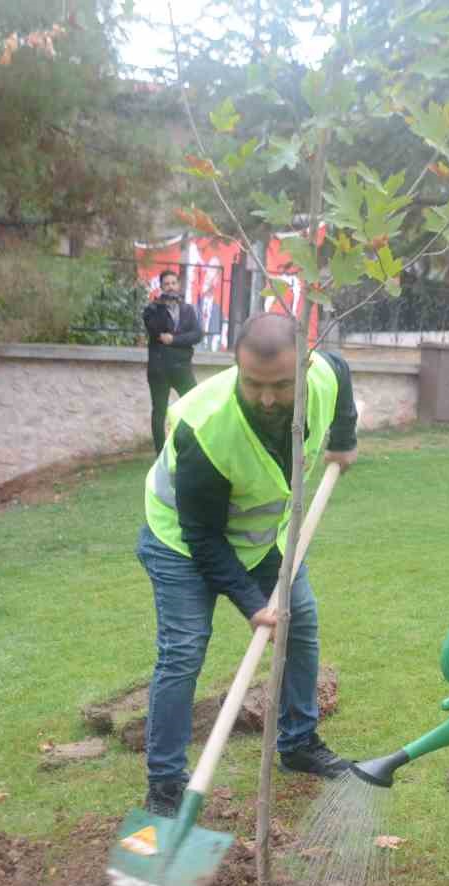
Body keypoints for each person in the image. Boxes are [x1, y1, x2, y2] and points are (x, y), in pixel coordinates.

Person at [136, 313, 358, 816]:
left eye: (281, 385)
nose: (265, 398)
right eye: (253, 383)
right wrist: (254, 606)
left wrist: (344, 437)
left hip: (264, 542)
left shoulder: (322, 375)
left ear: (303, 368)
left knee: (299, 628)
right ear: (236, 365)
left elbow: (341, 370)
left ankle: (298, 743)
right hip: (181, 543)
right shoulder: (207, 428)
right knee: (183, 652)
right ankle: (167, 785)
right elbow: (203, 538)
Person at [144, 269, 204, 452]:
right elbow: (156, 330)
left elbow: (197, 334)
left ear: (178, 285)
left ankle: (192, 447)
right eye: (166, 284)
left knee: (195, 406)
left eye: (173, 283)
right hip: (159, 370)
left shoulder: (187, 309)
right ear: (161, 287)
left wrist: (175, 340)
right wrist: (161, 305)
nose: (170, 287)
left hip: (182, 368)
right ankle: (160, 453)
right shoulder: (153, 309)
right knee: (159, 412)